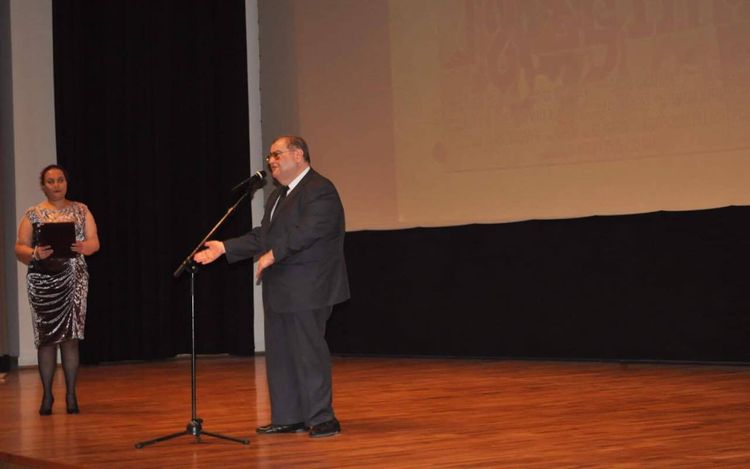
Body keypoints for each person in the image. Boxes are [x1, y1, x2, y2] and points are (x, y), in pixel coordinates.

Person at [194, 135, 349, 438]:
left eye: (277, 155)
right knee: (280, 355)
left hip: (309, 287)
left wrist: (273, 254)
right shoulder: (278, 196)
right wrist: (225, 248)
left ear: (298, 154)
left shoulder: (320, 189)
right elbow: (263, 235)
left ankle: (323, 418)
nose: (271, 162)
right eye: (269, 157)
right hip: (280, 287)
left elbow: (308, 231)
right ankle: (289, 417)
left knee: (308, 352)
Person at [14, 164, 100, 415]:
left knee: (71, 339)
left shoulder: (81, 210)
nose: (56, 185)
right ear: (43, 186)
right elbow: (19, 247)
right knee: (46, 340)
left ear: (66, 182)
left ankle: (71, 395)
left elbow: (95, 242)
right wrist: (34, 253)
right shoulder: (33, 213)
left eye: (60, 180)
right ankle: (47, 395)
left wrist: (84, 247)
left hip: (74, 279)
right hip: (42, 281)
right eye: (50, 181)